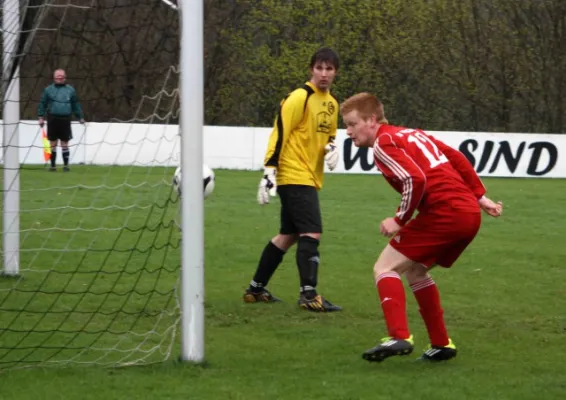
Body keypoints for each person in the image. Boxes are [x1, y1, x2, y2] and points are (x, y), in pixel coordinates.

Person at [339, 92, 503, 361]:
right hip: (468, 215)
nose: (348, 131)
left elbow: (414, 179)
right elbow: (455, 156)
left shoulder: (383, 143)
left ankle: (398, 336)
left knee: (384, 268)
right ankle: (441, 344)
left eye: (352, 124)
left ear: (371, 120)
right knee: (416, 271)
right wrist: (480, 197)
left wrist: (398, 219)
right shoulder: (409, 133)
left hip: (446, 212)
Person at [243, 47, 342, 312]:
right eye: (319, 68)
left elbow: (329, 135)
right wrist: (269, 171)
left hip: (309, 175)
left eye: (329, 69)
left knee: (288, 235)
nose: (323, 74)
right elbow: (280, 133)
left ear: (335, 72)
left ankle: (255, 289)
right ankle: (309, 295)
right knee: (312, 231)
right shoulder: (299, 97)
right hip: (293, 174)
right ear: (311, 69)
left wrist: (332, 147)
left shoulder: (332, 103)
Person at [38, 69, 85, 172]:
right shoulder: (48, 90)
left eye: (62, 75)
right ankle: (53, 166)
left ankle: (66, 166)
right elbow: (42, 103)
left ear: (65, 77)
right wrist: (40, 117)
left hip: (66, 119)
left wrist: (80, 117)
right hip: (52, 119)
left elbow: (75, 105)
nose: (60, 77)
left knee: (65, 143)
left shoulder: (70, 90)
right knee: (53, 143)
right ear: (54, 77)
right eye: (58, 75)